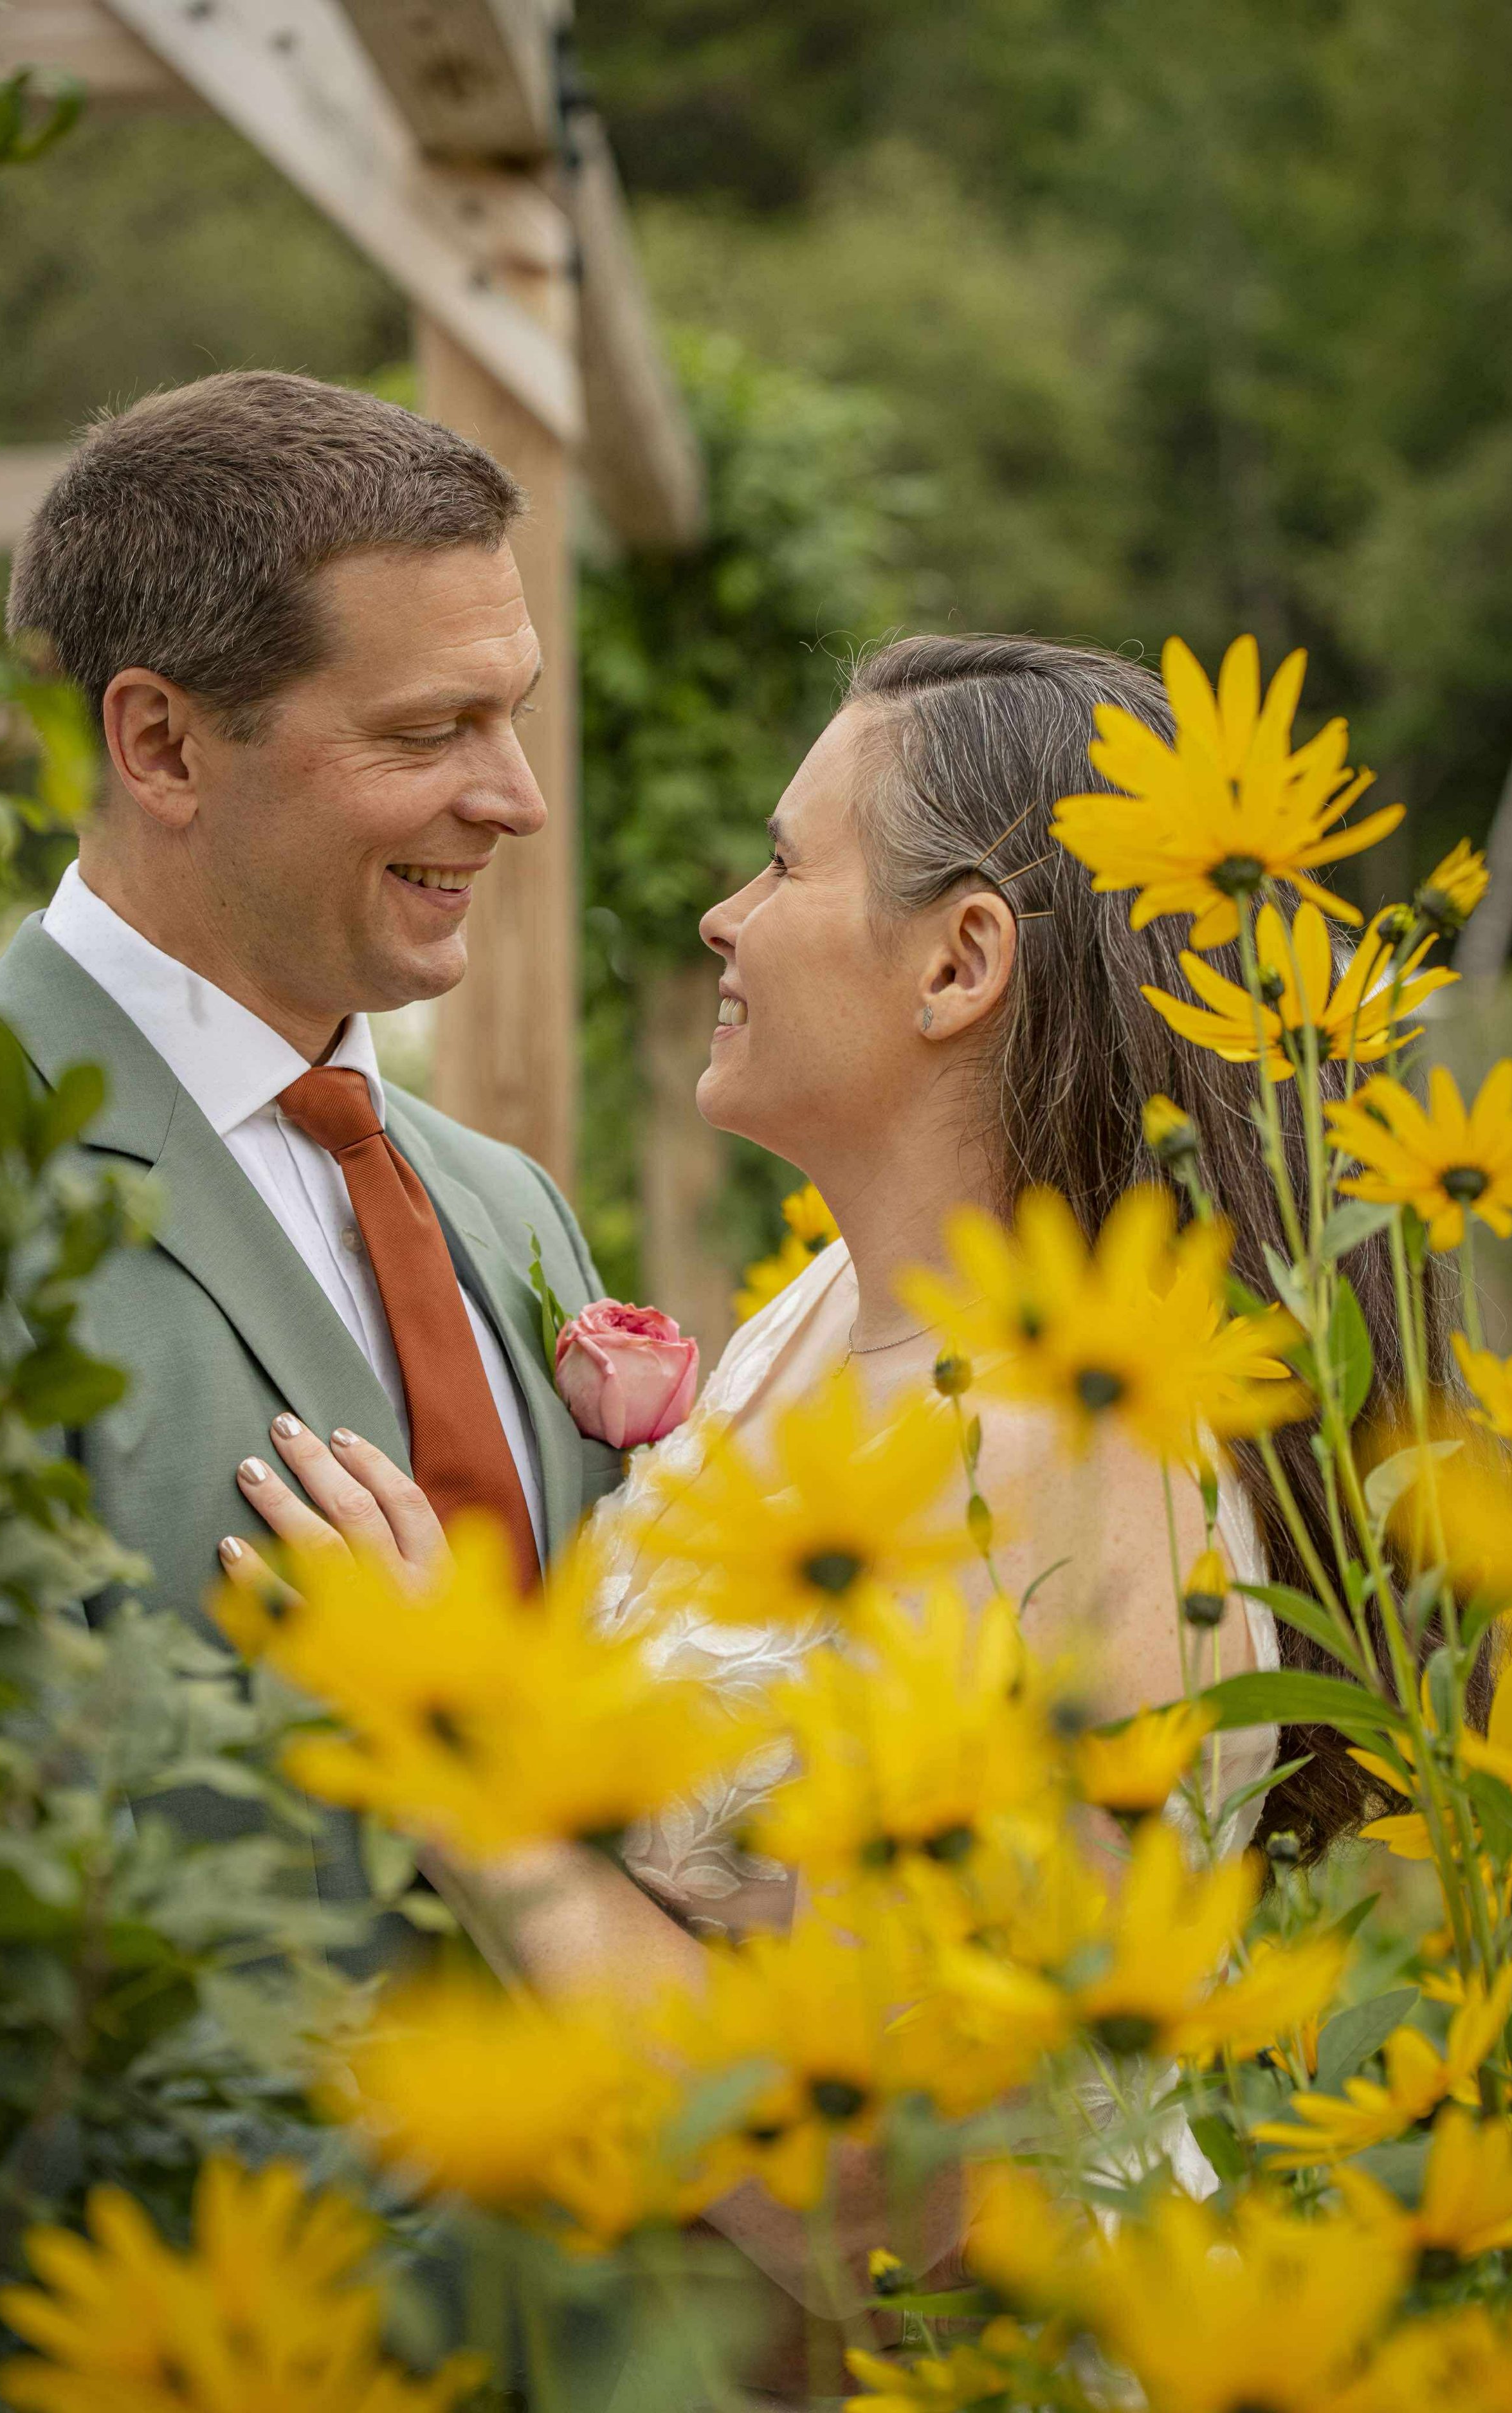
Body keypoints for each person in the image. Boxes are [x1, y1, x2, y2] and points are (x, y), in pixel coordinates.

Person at [230, 634, 1426, 2341]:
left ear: (957, 963)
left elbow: (886, 2200)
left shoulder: (1077, 1463)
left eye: (785, 862)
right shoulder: (814, 1322)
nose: (723, 914)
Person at [0, 371, 623, 1886]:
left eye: (509, 716)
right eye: (430, 728)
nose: (514, 798)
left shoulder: (510, 1210)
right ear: (164, 746)